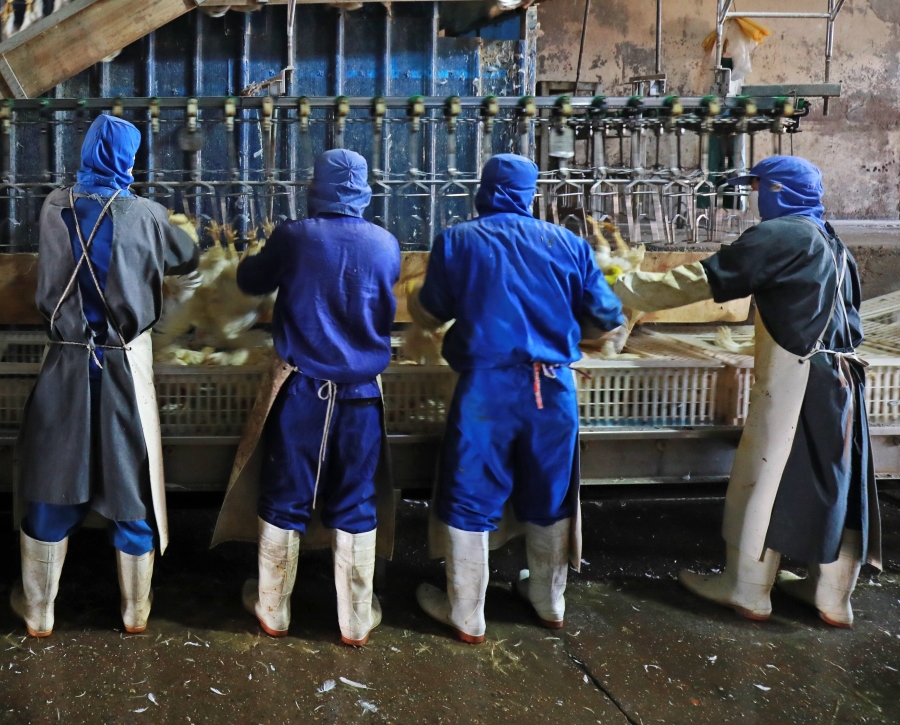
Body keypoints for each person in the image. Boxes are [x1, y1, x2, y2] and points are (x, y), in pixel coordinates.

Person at [613, 155, 880, 627]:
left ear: (776, 191)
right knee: (834, 483)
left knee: (764, 478)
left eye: (756, 187)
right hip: (842, 380)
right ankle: (832, 597)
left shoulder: (782, 235)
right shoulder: (830, 240)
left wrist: (625, 288)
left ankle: (746, 589)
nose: (753, 197)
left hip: (797, 377)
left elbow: (702, 280)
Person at [408, 153, 626, 643]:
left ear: (483, 190)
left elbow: (432, 311)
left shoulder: (459, 240)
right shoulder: (568, 244)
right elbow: (607, 316)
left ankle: (466, 613)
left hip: (487, 389)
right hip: (553, 386)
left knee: (470, 493)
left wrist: (415, 308)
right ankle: (550, 602)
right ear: (531, 194)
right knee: (550, 492)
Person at [12, 115, 200, 637]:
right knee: (129, 485)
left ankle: (39, 611)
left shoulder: (53, 206)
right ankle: (134, 612)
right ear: (130, 161)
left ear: (87, 151)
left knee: (52, 484)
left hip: (65, 365)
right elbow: (189, 258)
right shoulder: (147, 214)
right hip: (121, 366)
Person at [211, 149, 401, 646]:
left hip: (303, 393)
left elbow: (250, 281)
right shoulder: (385, 242)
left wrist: (259, 252)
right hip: (361, 395)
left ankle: (273, 610)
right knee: (356, 497)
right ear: (363, 189)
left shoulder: (295, 236)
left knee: (286, 491)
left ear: (315, 186)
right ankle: (356, 619)